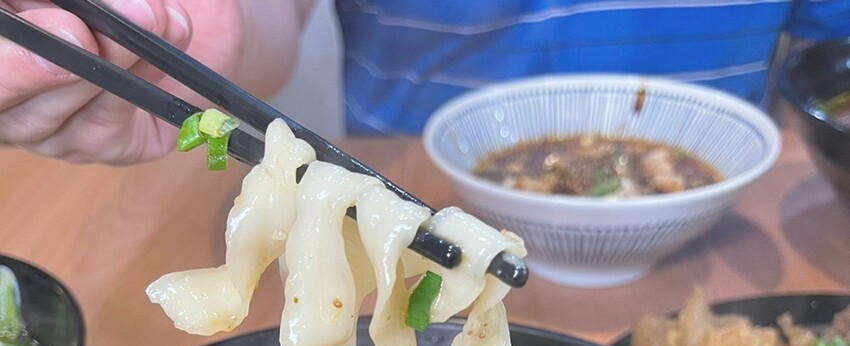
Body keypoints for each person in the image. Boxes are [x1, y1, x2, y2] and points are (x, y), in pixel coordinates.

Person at [0, 0, 849, 162]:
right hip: (402, 212)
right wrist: (178, 35)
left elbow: (830, 59)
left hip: (726, 218)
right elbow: (254, 21)